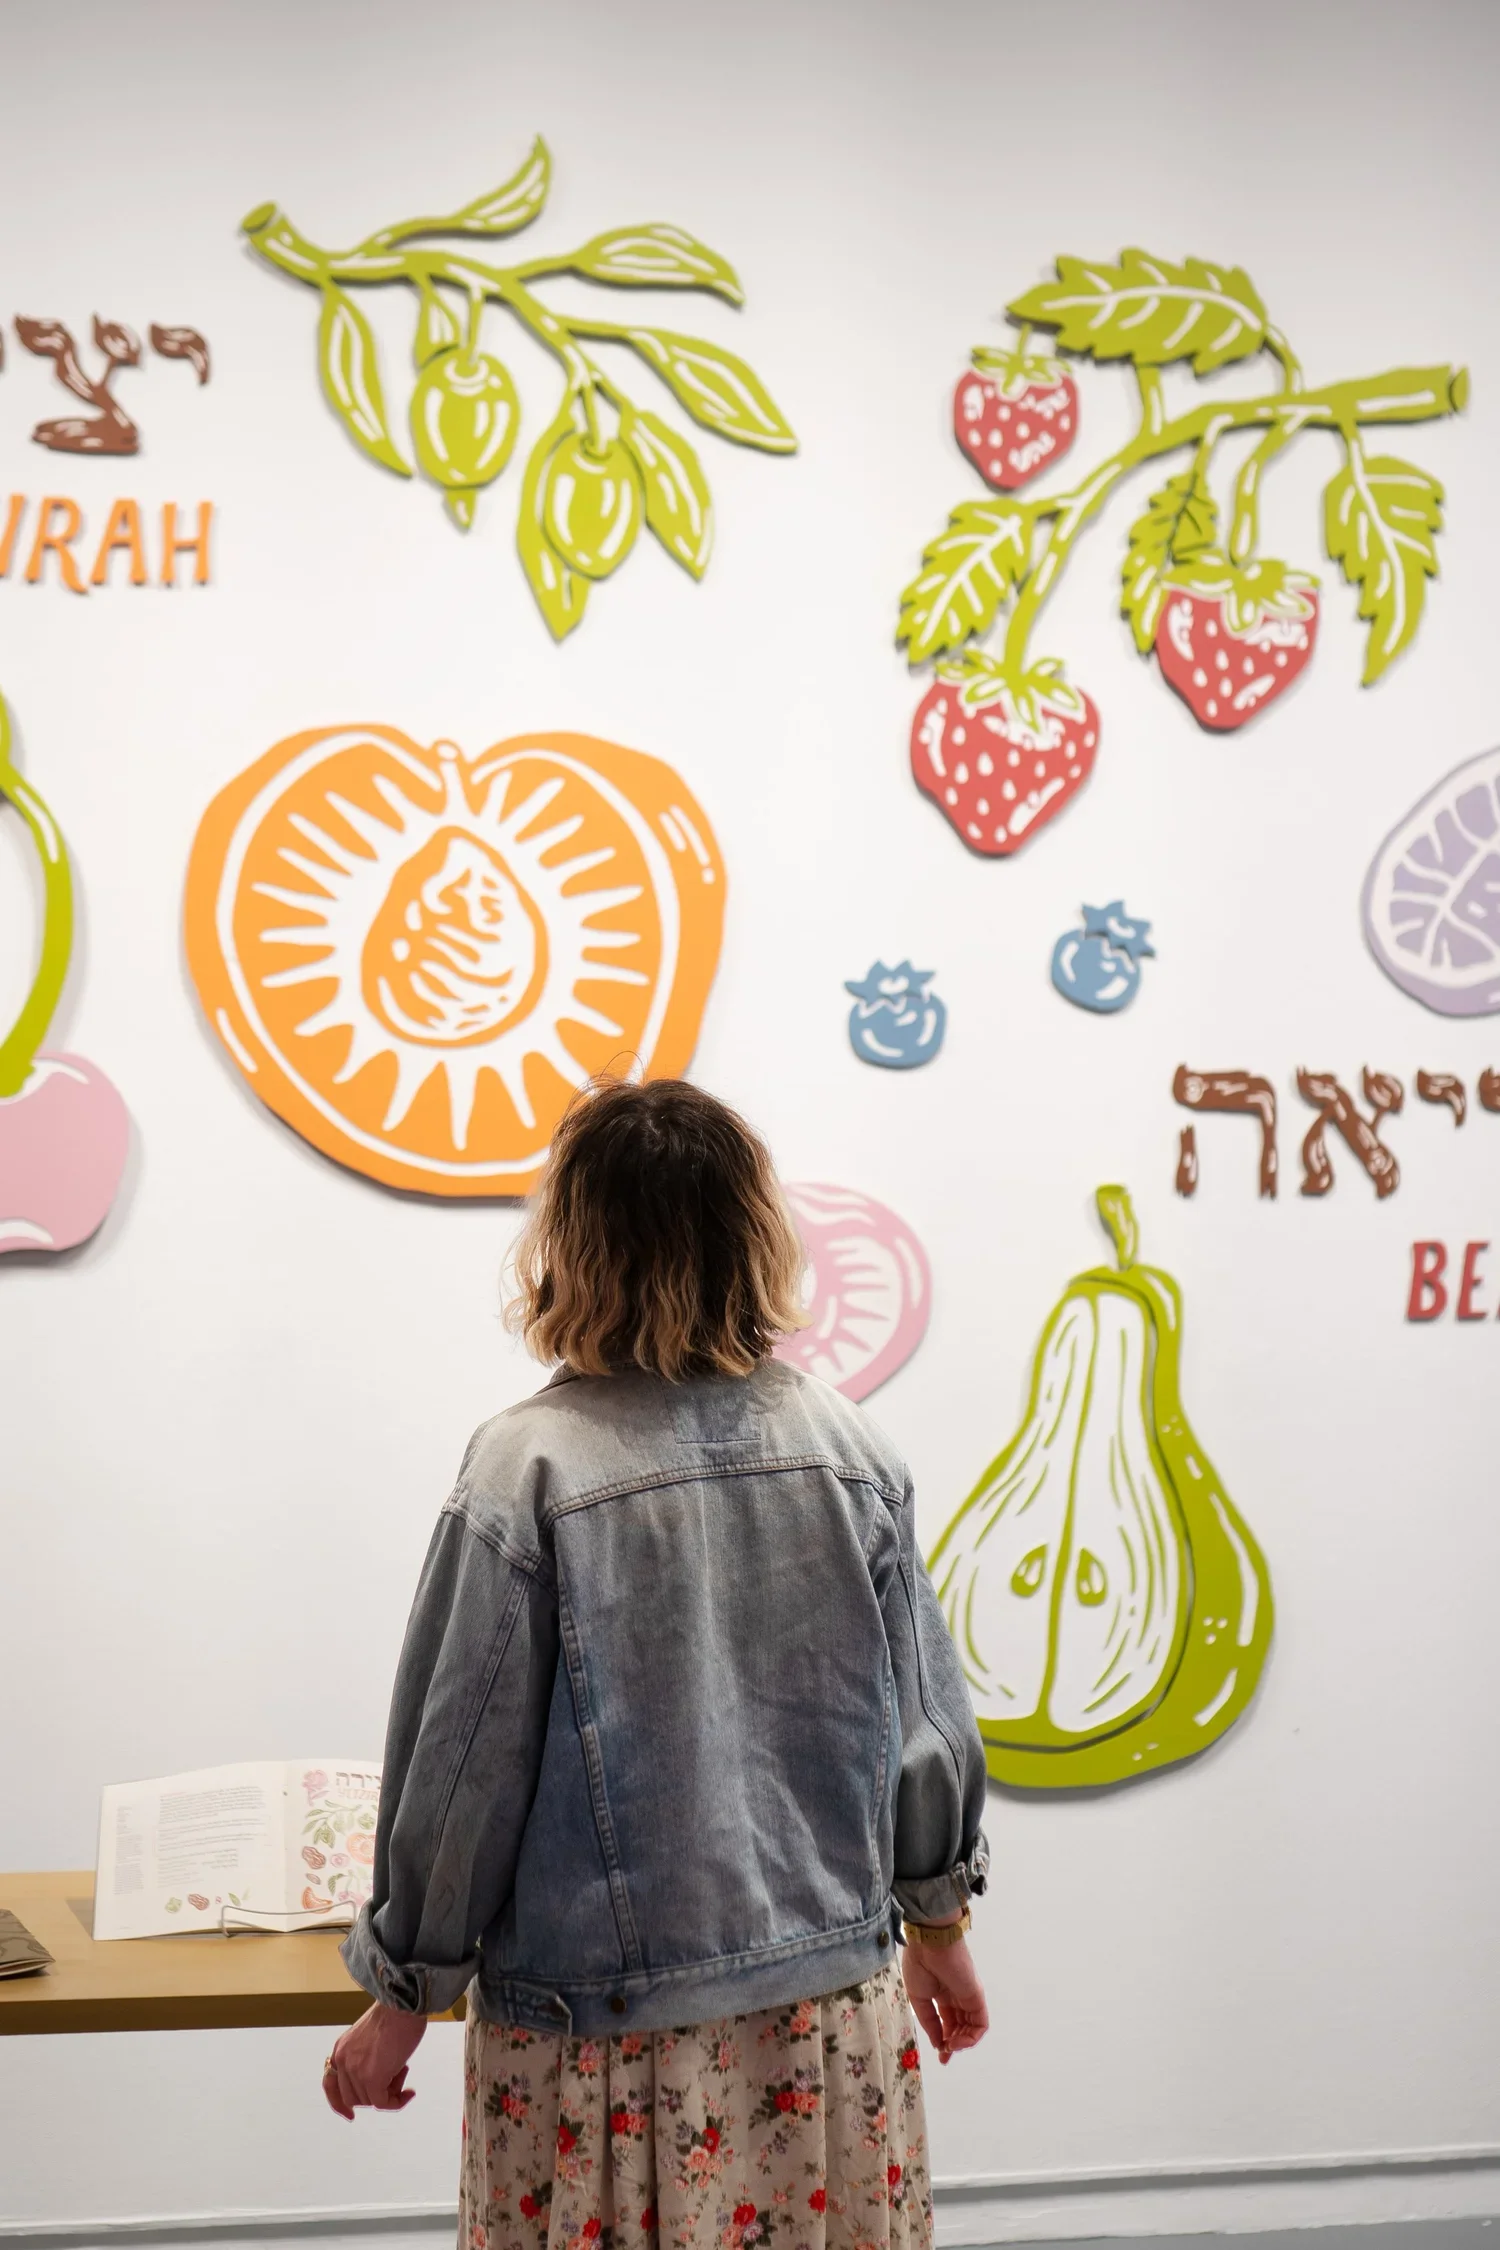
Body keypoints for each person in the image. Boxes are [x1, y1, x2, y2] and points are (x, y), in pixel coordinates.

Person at [323, 1078, 990, 2250]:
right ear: (755, 1236)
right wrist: (940, 1932)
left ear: (573, 1248)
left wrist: (402, 1999)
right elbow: (929, 1725)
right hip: (828, 2022)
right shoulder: (848, 1448)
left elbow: (462, 1767)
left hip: (603, 2053)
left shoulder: (525, 1471)